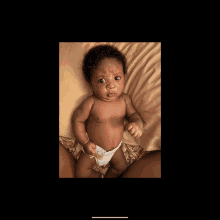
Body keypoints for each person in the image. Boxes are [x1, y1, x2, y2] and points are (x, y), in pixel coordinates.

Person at [72, 45, 144, 178]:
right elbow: (77, 120)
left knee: (122, 168)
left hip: (115, 149)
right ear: (91, 83)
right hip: (94, 149)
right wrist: (85, 142)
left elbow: (134, 115)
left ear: (124, 76)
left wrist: (137, 124)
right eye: (102, 80)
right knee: (81, 173)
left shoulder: (125, 100)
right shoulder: (91, 102)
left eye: (117, 78)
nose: (111, 85)